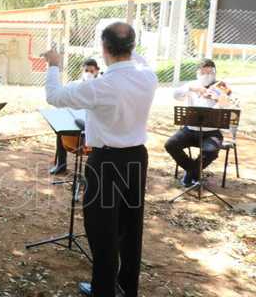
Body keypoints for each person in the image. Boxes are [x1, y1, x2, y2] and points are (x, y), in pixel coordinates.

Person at [43, 22, 157, 297]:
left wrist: (54, 65)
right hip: (137, 158)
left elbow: (54, 96)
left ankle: (103, 289)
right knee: (131, 225)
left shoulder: (100, 86)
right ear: (132, 47)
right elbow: (137, 59)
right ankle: (127, 287)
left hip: (107, 162)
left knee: (101, 228)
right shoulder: (148, 77)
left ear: (104, 49)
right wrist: (122, 47)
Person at [164, 58, 236, 187]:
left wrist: (221, 103)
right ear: (198, 73)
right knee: (171, 145)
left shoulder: (222, 87)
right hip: (190, 130)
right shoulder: (192, 84)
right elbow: (176, 95)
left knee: (211, 151)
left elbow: (230, 111)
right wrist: (190, 88)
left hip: (211, 132)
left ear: (214, 72)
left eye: (210, 73)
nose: (207, 76)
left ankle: (190, 174)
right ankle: (193, 171)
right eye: (203, 73)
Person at [50, 58, 101, 175]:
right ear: (82, 70)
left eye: (91, 71)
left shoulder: (101, 86)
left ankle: (93, 172)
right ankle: (61, 165)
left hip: (93, 127)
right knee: (61, 128)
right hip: (76, 123)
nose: (88, 73)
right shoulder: (74, 85)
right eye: (86, 70)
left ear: (97, 71)